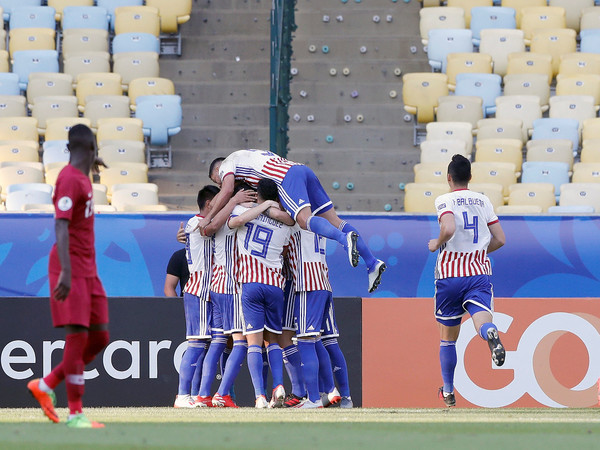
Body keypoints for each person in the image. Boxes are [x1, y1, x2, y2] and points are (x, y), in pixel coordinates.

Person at [202, 150, 386, 293]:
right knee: (334, 220)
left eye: (215, 180)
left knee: (304, 220)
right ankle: (371, 262)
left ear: (218, 170)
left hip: (287, 178)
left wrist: (207, 217)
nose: (219, 184)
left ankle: (343, 240)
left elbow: (226, 192)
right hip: (303, 170)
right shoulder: (250, 156)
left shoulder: (227, 164)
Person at [27, 124, 109, 428]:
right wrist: (65, 270)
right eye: (96, 150)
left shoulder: (82, 176)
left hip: (89, 268)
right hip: (70, 266)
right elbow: (60, 225)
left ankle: (45, 384)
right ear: (90, 148)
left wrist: (92, 161)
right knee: (78, 337)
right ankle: (76, 413)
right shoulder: (68, 179)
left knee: (100, 337)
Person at [428, 154, 507, 408]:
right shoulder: (483, 201)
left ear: (449, 178)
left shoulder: (444, 200)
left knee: (447, 338)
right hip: (478, 274)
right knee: (482, 321)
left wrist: (436, 243)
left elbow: (449, 228)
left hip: (450, 275)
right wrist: (479, 251)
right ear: (470, 177)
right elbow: (500, 239)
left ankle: (449, 392)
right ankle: (490, 334)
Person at [227, 178, 294, 408]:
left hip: (251, 284)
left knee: (253, 342)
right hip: (275, 285)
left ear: (257, 195)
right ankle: (278, 385)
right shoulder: (286, 223)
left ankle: (260, 396)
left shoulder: (243, 210)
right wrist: (272, 208)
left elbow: (234, 223)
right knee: (273, 340)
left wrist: (262, 207)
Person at [194, 186, 255, 408]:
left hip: (216, 285)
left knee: (219, 342)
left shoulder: (217, 216)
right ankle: (222, 394)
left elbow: (206, 229)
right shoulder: (236, 212)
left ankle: (202, 394)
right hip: (231, 286)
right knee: (241, 342)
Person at [174, 186, 219, 408]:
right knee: (196, 344)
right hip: (199, 289)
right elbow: (206, 230)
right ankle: (183, 396)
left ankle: (194, 395)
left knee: (205, 345)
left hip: (209, 290)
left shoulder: (199, 223)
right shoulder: (198, 223)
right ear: (210, 203)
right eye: (219, 199)